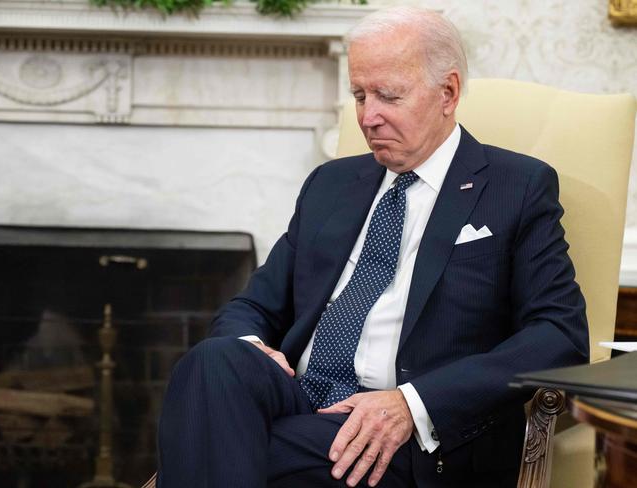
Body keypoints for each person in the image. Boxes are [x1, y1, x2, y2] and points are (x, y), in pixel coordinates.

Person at [157, 7, 589, 488]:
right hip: (301, 397)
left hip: (411, 436)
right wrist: (258, 349)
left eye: (388, 96)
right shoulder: (330, 183)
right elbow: (253, 305)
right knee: (214, 358)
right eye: (359, 95)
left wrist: (413, 402)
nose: (368, 116)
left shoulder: (517, 186)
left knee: (211, 443)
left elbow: (559, 335)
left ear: (448, 92)